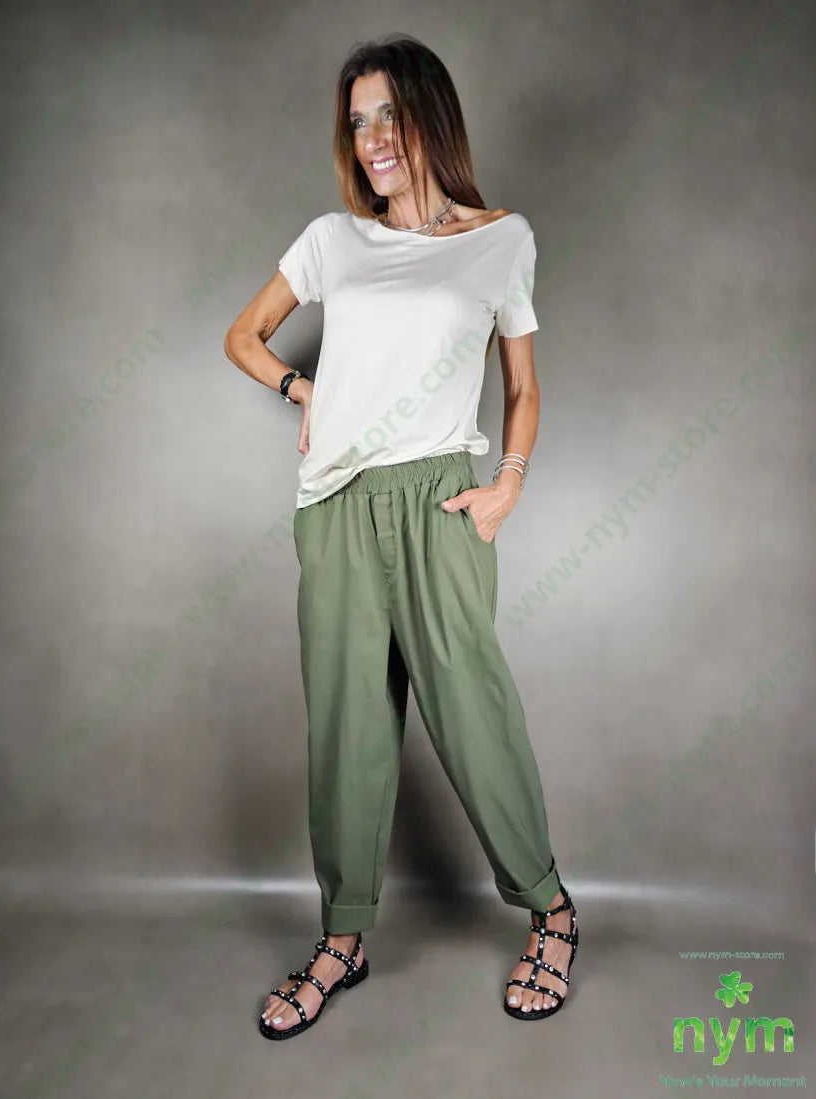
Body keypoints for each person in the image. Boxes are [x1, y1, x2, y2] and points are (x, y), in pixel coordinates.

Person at [224, 33, 578, 1042]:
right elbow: (242, 336)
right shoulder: (331, 240)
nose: (372, 137)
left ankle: (552, 911)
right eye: (357, 121)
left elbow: (522, 386)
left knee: (471, 713)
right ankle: (344, 935)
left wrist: (507, 485)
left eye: (389, 114)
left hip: (438, 502)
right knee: (346, 726)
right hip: (334, 506)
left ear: (431, 116)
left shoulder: (501, 239)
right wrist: (302, 387)